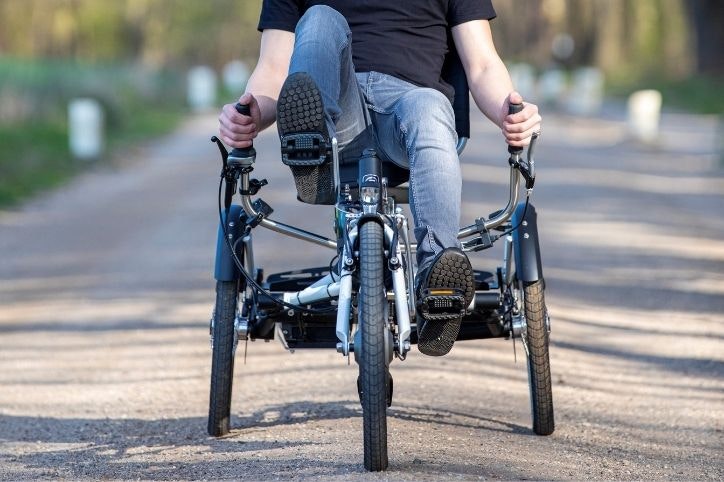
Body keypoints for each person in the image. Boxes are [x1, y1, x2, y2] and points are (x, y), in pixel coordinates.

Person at [218, 0, 541, 357]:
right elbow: (273, 69)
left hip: (410, 110)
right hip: (337, 117)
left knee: (430, 107)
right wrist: (249, 114)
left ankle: (438, 277)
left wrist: (508, 113)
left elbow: (482, 64)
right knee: (320, 18)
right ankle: (308, 147)